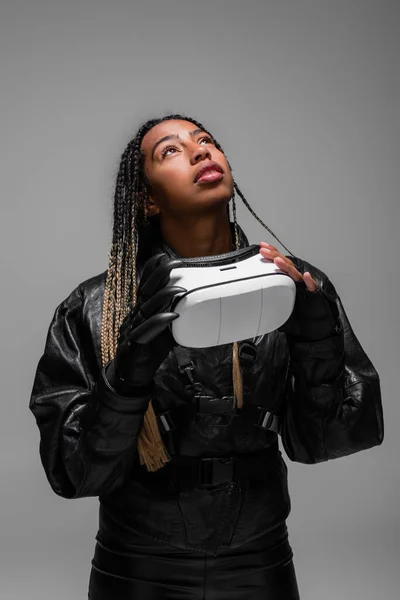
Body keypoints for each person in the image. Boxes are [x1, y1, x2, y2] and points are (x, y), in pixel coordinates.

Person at [29, 114, 384, 600]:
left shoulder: (292, 287)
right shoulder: (97, 308)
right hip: (137, 567)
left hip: (260, 560)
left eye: (206, 141)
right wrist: (127, 379)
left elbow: (327, 442)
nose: (200, 152)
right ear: (147, 199)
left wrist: (318, 341)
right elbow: (74, 474)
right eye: (170, 151)